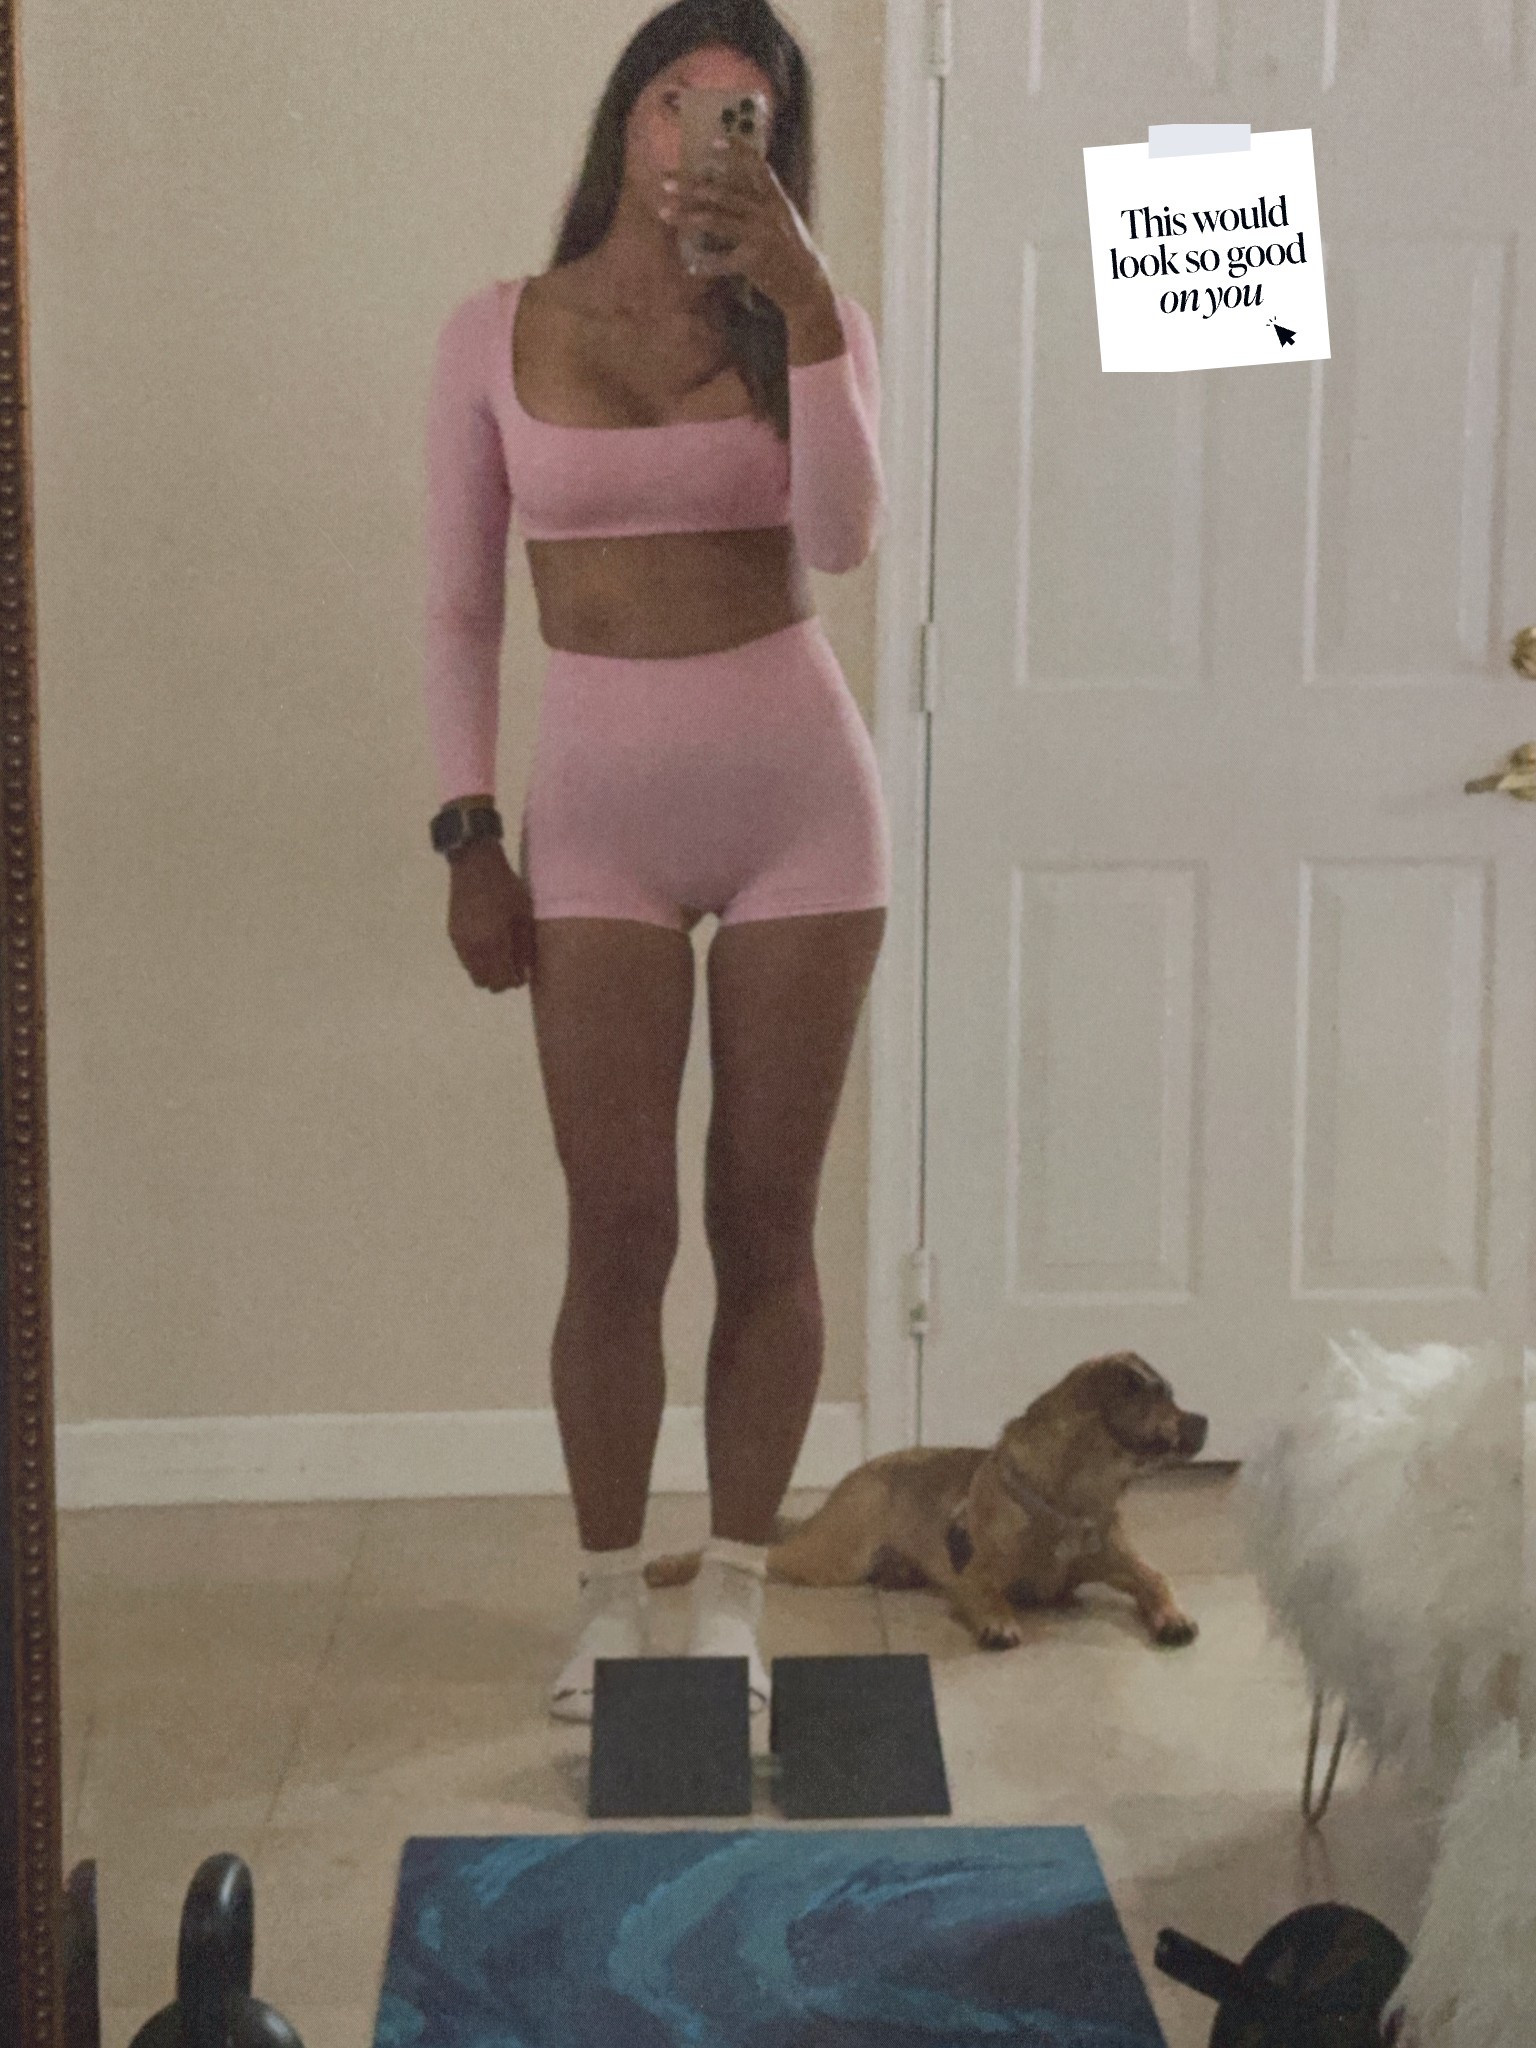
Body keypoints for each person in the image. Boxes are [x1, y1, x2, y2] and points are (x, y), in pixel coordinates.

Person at [422, 0, 889, 1722]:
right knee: (616, 1227)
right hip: (596, 821)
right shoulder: (497, 328)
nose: (702, 137)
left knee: (765, 1220)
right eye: (677, 101)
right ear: (627, 118)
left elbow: (842, 538)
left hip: (802, 812)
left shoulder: (812, 325)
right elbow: (459, 605)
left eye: (744, 114)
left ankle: (737, 1602)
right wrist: (469, 830)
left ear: (776, 150)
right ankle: (611, 1599)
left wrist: (809, 305)